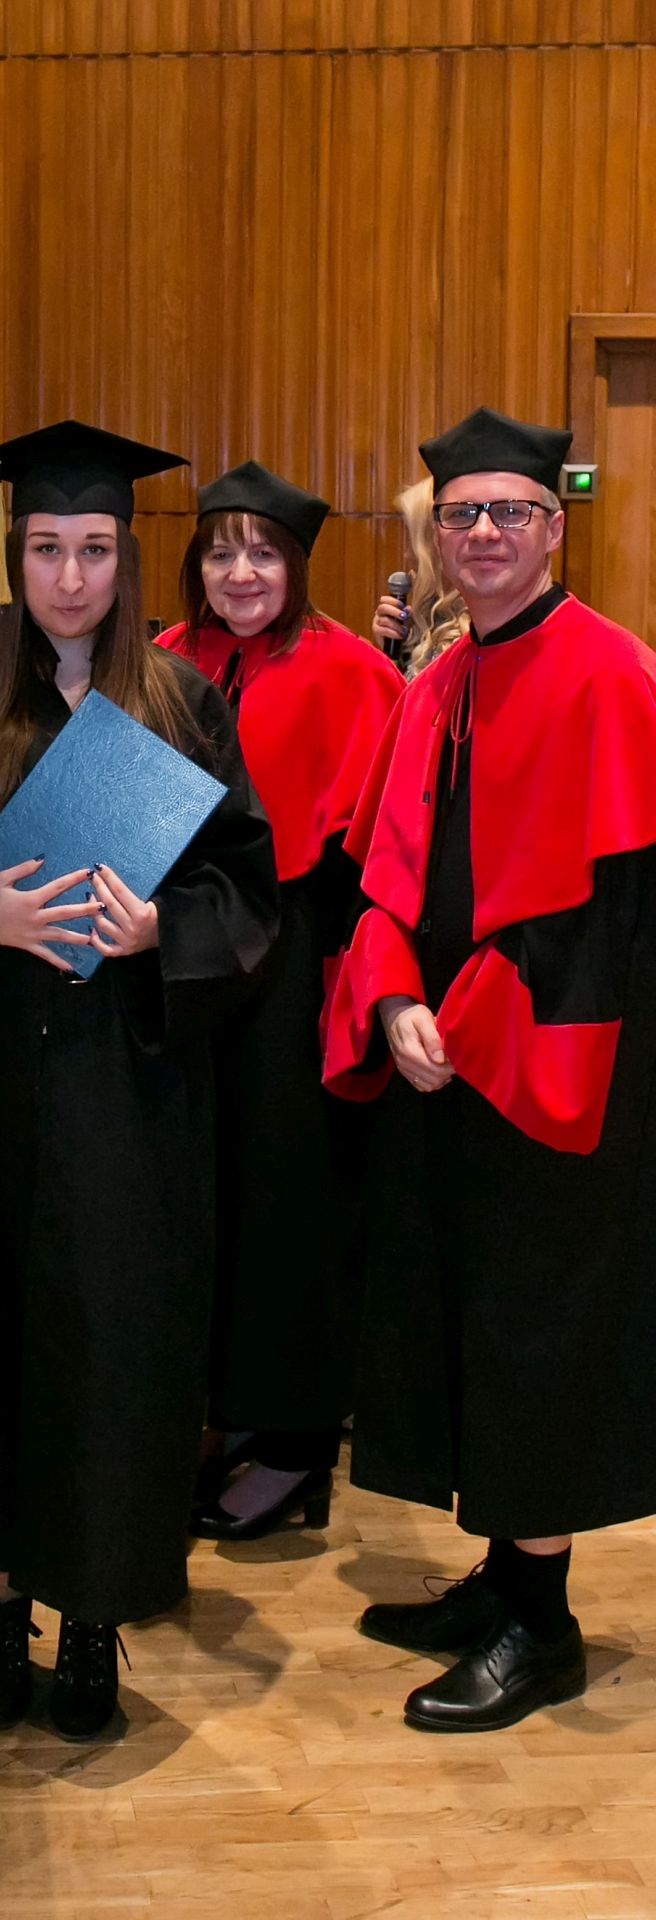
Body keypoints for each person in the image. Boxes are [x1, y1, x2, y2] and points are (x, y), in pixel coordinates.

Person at [0, 420, 279, 1740]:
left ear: (125, 559)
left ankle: (93, 1613)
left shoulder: (180, 707)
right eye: (46, 549)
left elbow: (246, 891)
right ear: (12, 552)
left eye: (94, 549)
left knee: (111, 1345)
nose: (72, 577)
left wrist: (162, 934)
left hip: (124, 1098)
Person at [322, 406, 656, 1733]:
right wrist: (391, 993)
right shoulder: (439, 681)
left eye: (508, 512)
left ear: (553, 528)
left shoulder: (612, 675)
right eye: (461, 514)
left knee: (535, 1331)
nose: (482, 534)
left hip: (559, 1064)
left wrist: (461, 1017)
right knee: (459, 1313)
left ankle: (542, 1625)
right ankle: (501, 1576)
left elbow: (610, 919)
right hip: (443, 1057)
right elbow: (384, 873)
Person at [156, 462, 401, 1542]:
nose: (241, 573)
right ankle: (222, 1408)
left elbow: (378, 854)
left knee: (289, 1201)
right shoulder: (165, 661)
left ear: (296, 564)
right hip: (176, 956)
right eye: (221, 552)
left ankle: (297, 1440)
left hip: (295, 967)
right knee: (198, 1195)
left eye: (263, 552)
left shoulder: (353, 672)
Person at [370, 477, 468, 676]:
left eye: (411, 540)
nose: (406, 554)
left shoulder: (478, 628)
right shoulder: (428, 621)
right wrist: (393, 651)